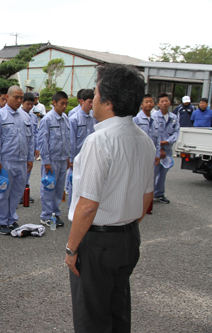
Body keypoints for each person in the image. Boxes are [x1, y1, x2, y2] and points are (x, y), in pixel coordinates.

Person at [65, 64, 155, 333]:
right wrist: (125, 223)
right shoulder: (143, 139)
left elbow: (87, 205)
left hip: (98, 242)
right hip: (128, 238)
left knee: (91, 317)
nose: (92, 98)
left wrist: (71, 248)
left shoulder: (100, 140)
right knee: (117, 312)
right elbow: (147, 196)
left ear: (109, 101)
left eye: (95, 92)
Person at [0, 85, 34, 235]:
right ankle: (1, 221)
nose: (19, 100)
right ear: (7, 97)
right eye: (16, 97)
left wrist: (30, 159)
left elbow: (30, 139)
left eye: (21, 98)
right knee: (3, 191)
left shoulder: (26, 116)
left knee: (17, 192)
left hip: (21, 161)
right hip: (5, 161)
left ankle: (11, 218)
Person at [38, 91, 71, 227]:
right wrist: (46, 161)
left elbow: (69, 140)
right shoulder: (47, 119)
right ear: (54, 103)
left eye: (66, 104)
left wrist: (69, 157)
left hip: (63, 159)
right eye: (62, 103)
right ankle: (45, 215)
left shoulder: (66, 118)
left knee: (59, 189)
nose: (64, 106)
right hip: (51, 160)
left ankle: (55, 213)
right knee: (48, 187)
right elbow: (43, 141)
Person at [67, 89, 95, 209]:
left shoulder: (94, 117)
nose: (92, 104)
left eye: (93, 101)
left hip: (91, 156)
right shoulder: (74, 118)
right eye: (89, 101)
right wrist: (72, 159)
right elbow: (72, 141)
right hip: (78, 157)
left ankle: (84, 209)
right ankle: (72, 210)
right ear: (82, 101)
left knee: (88, 185)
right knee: (75, 185)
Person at [153, 92, 180, 204]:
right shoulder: (154, 117)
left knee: (163, 173)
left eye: (166, 101)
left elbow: (176, 132)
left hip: (167, 149)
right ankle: (147, 195)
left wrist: (168, 142)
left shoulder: (173, 117)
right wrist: (160, 149)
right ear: (158, 104)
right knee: (152, 173)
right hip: (156, 150)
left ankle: (159, 194)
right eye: (162, 102)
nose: (165, 103)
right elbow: (154, 134)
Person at [19, 92, 38, 204]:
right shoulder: (19, 115)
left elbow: (36, 133)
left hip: (31, 148)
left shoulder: (34, 116)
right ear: (23, 102)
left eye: (32, 104)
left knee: (28, 170)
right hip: (22, 148)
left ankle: (25, 192)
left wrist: (37, 147)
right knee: (20, 172)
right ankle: (20, 194)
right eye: (28, 104)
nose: (30, 106)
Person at [133, 94, 161, 166]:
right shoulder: (136, 119)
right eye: (146, 102)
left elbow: (158, 139)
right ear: (141, 105)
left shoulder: (155, 120)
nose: (149, 104)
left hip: (151, 154)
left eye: (151, 102)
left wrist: (157, 154)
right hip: (139, 155)